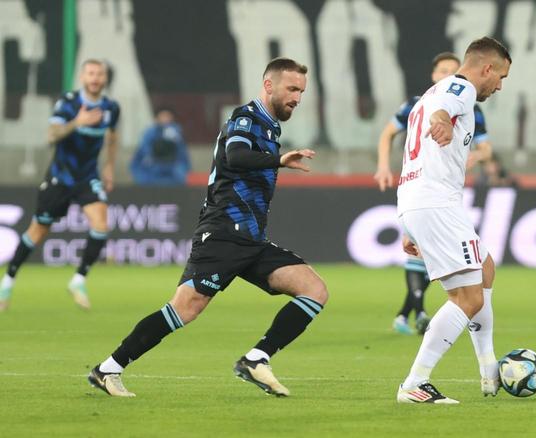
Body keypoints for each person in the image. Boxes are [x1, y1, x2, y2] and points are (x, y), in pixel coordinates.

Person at [87, 57, 328, 398]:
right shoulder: (246, 117)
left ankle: (256, 359)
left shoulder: (271, 126)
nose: (297, 98)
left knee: (314, 290)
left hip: (251, 239)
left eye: (301, 91)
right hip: (223, 234)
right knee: (185, 309)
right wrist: (279, 159)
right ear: (269, 85)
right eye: (291, 89)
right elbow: (236, 156)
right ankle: (108, 369)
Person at [395, 37, 511, 404]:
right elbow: (441, 112)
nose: (500, 86)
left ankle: (488, 364)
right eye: (501, 76)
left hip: (422, 199)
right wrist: (443, 121)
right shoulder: (459, 88)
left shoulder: (431, 92)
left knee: (484, 267)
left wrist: (411, 223)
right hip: (434, 202)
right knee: (468, 296)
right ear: (487, 68)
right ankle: (415, 382)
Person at [374, 52, 493, 335]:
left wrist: (473, 157)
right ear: (433, 74)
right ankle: (418, 315)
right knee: (459, 277)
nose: (447, 76)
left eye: (452, 71)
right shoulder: (419, 104)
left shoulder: (469, 104)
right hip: (428, 189)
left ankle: (411, 313)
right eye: (442, 71)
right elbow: (388, 133)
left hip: (434, 191)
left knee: (457, 265)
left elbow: (486, 149)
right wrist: (382, 165)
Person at [0, 59, 120, 311]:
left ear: (105, 78)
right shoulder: (68, 103)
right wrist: (77, 122)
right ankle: (8, 281)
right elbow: (51, 135)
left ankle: (78, 280)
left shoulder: (111, 108)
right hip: (60, 178)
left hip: (88, 178)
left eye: (99, 74)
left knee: (101, 224)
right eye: (90, 73)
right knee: (38, 232)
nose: (95, 78)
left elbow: (112, 136)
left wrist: (109, 166)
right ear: (83, 77)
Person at [130, 107, 191, 185]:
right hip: (153, 167)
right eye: (163, 116)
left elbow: (183, 157)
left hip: (172, 167)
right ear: (156, 118)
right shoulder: (149, 133)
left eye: (167, 116)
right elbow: (140, 156)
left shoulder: (176, 133)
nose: (165, 119)